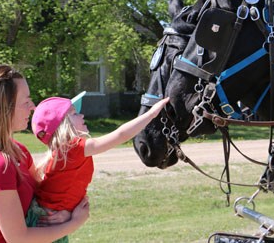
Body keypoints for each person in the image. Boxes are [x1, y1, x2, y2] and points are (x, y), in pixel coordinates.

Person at [0, 64, 89, 243]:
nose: (33, 107)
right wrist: (74, 223)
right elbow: (18, 238)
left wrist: (63, 213)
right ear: (3, 108)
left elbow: (47, 195)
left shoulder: (18, 150)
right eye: (26, 101)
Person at [25, 91, 169, 241]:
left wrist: (68, 212)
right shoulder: (73, 148)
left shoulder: (65, 153)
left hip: (49, 220)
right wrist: (151, 114)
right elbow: (121, 135)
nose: (81, 115)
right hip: (47, 223)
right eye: (74, 114)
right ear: (63, 125)